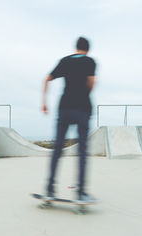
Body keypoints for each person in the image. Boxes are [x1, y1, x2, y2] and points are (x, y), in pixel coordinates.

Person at [41, 36, 97, 203]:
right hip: (82, 109)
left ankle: (49, 189)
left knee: (57, 149)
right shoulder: (90, 62)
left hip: (64, 108)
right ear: (87, 49)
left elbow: (47, 79)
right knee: (82, 152)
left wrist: (44, 102)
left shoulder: (64, 61)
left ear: (76, 47)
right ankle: (81, 192)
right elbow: (91, 82)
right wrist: (84, 94)